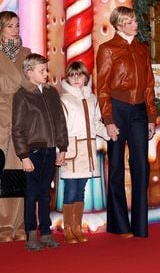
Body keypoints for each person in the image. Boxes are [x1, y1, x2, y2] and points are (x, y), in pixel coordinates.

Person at [96, 6, 157, 238]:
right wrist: (109, 120)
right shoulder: (107, 49)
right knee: (117, 166)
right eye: (130, 21)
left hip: (139, 111)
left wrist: (151, 116)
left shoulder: (142, 49)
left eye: (134, 19)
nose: (135, 23)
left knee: (141, 165)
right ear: (119, 24)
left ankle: (140, 225)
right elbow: (102, 88)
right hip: (118, 108)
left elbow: (150, 85)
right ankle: (119, 224)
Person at [0, 11, 31, 242]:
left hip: (23, 120)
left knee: (20, 174)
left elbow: (32, 86)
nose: (15, 29)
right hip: (0, 120)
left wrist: (17, 92)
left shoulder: (27, 53)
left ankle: (18, 226)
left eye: (17, 25)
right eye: (9, 25)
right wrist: (17, 88)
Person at [12, 53, 68, 251]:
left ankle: (46, 232)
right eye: (42, 70)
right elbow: (17, 129)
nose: (46, 73)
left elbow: (60, 122)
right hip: (33, 151)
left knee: (45, 193)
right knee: (32, 193)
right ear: (29, 73)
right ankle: (30, 233)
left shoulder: (52, 93)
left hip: (50, 149)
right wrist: (24, 156)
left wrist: (62, 148)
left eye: (46, 70)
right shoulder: (22, 95)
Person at [60, 61, 109, 244]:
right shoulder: (64, 100)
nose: (76, 79)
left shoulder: (92, 99)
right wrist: (61, 150)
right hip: (72, 150)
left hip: (87, 151)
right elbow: (61, 129)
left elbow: (96, 123)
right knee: (71, 190)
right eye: (72, 75)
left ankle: (77, 227)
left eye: (79, 75)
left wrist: (108, 133)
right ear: (68, 78)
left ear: (86, 77)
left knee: (81, 190)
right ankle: (68, 229)